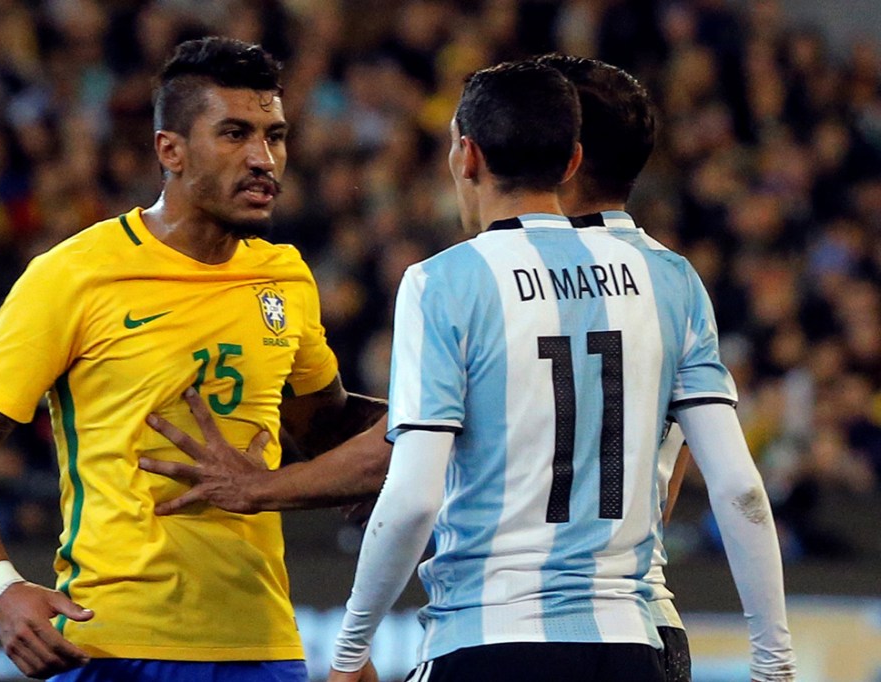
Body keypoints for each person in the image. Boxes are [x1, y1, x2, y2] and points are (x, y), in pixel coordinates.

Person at [0, 37, 387, 682]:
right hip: (111, 644)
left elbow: (325, 428)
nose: (263, 158)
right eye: (234, 134)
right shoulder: (75, 276)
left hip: (263, 643)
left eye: (274, 136)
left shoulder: (284, 276)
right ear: (170, 149)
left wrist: (443, 420)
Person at [327, 59, 797, 682]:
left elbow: (413, 500)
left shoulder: (442, 282)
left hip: (486, 636)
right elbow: (739, 490)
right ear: (569, 159)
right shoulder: (669, 278)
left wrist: (349, 649)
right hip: (633, 640)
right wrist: (775, 665)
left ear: (466, 157)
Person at [539, 53, 693, 682]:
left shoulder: (497, 279)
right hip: (651, 620)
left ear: (565, 155)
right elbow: (679, 468)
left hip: (532, 623)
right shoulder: (678, 283)